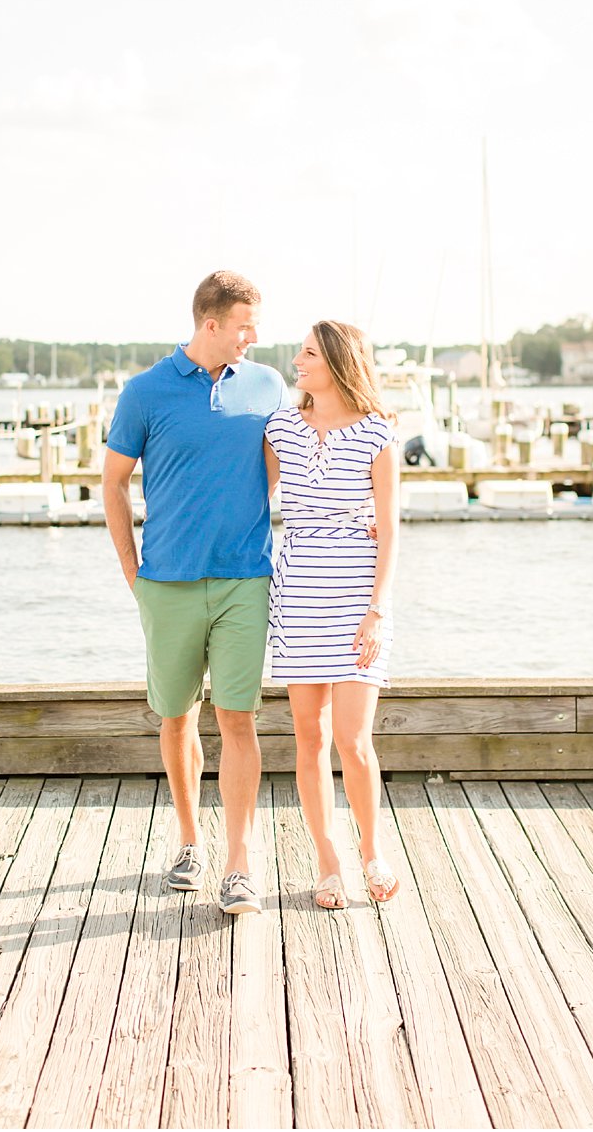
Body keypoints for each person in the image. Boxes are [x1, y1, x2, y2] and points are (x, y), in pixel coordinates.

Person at [103, 272, 290, 914]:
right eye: (244, 325)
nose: (254, 337)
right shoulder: (144, 393)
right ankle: (189, 842)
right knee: (177, 715)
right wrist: (134, 574)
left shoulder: (268, 386)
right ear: (210, 323)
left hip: (245, 580)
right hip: (168, 584)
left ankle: (239, 863)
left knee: (238, 718)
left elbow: (296, 460)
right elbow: (113, 484)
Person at [264, 321, 401, 909]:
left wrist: (376, 609)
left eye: (309, 352)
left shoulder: (377, 435)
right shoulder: (279, 428)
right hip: (297, 593)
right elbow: (249, 497)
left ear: (340, 362)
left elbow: (392, 529)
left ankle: (372, 852)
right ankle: (327, 860)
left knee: (354, 740)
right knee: (309, 737)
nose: (297, 360)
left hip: (354, 598)